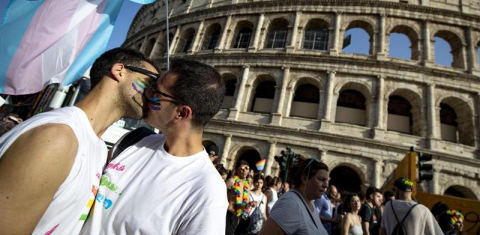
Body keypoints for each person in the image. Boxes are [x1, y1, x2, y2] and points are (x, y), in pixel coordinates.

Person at [0, 48, 159, 235]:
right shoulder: (57, 138)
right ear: (119, 71)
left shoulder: (98, 147)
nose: (155, 96)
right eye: (151, 83)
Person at [80, 58, 228, 234]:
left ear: (181, 113)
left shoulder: (206, 191)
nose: (147, 95)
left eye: (157, 93)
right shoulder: (134, 141)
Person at [259, 158, 329, 235]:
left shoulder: (310, 203)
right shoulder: (291, 203)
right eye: (321, 179)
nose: (326, 185)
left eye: (326, 181)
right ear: (304, 178)